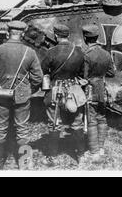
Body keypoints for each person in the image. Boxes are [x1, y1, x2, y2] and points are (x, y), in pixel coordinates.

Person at [0, 21, 43, 169]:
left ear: (7, 33)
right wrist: (28, 89)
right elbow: (38, 78)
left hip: (2, 93)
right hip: (22, 95)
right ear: (23, 34)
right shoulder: (29, 52)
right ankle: (24, 164)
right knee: (22, 128)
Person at [41, 24, 86, 166]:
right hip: (74, 89)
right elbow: (82, 72)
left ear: (55, 35)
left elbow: (44, 70)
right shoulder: (78, 51)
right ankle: (80, 154)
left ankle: (52, 157)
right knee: (77, 122)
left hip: (55, 90)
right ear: (68, 35)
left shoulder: (51, 52)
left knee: (54, 123)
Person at [82, 24, 115, 163]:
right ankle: (101, 148)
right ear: (97, 37)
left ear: (85, 38)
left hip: (91, 89)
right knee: (102, 117)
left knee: (91, 119)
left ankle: (94, 152)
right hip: (103, 88)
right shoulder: (106, 54)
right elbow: (112, 73)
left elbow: (84, 76)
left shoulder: (87, 55)